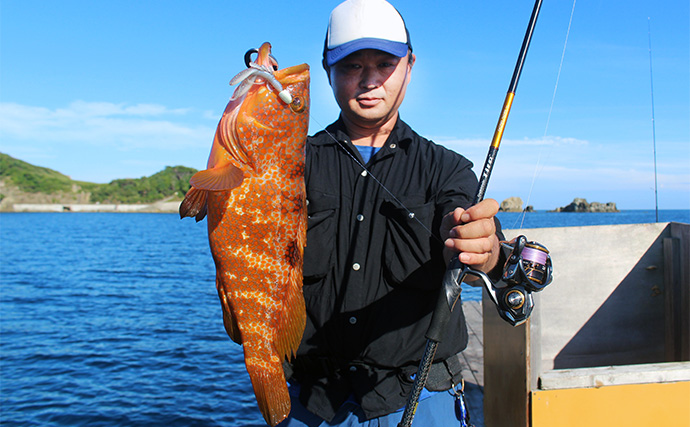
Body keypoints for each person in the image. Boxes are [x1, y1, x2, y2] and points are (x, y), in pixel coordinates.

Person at [280, 0, 504, 425]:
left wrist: (484, 249)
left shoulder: (448, 168)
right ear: (327, 70)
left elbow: (484, 249)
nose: (369, 81)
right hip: (308, 401)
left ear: (410, 65)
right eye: (350, 66)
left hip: (420, 399)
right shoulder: (290, 163)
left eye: (385, 63)